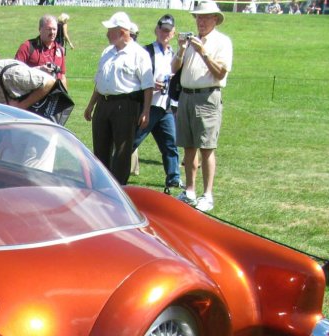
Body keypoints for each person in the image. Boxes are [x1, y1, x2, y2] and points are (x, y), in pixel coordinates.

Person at [172, 0, 233, 212]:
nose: (201, 21)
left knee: (207, 147)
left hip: (207, 97)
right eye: (199, 17)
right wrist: (180, 50)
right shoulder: (191, 41)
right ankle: (189, 190)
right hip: (186, 96)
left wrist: (203, 52)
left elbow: (221, 72)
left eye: (206, 17)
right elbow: (174, 68)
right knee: (188, 146)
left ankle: (207, 194)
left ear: (215, 19)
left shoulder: (222, 42)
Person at [83, 12, 153, 185]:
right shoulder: (107, 52)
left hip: (126, 104)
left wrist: (146, 111)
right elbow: (99, 81)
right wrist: (91, 105)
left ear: (122, 32)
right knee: (100, 144)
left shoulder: (139, 54)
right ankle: (101, 183)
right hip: (104, 103)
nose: (107, 34)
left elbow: (148, 85)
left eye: (111, 30)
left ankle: (119, 186)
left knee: (122, 148)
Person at [132, 14, 182, 193]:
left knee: (170, 143)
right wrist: (151, 85)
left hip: (165, 106)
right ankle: (114, 172)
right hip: (148, 105)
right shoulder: (146, 51)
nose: (165, 33)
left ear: (174, 33)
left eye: (168, 31)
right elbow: (136, 78)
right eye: (162, 30)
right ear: (156, 30)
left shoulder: (175, 54)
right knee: (132, 141)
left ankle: (174, 177)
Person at [15, 14, 67, 87]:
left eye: (54, 29)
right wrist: (38, 70)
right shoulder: (27, 46)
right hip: (32, 94)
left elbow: (62, 76)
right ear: (40, 29)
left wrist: (65, 96)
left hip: (54, 95)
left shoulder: (60, 50)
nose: (52, 32)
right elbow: (15, 72)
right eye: (49, 29)